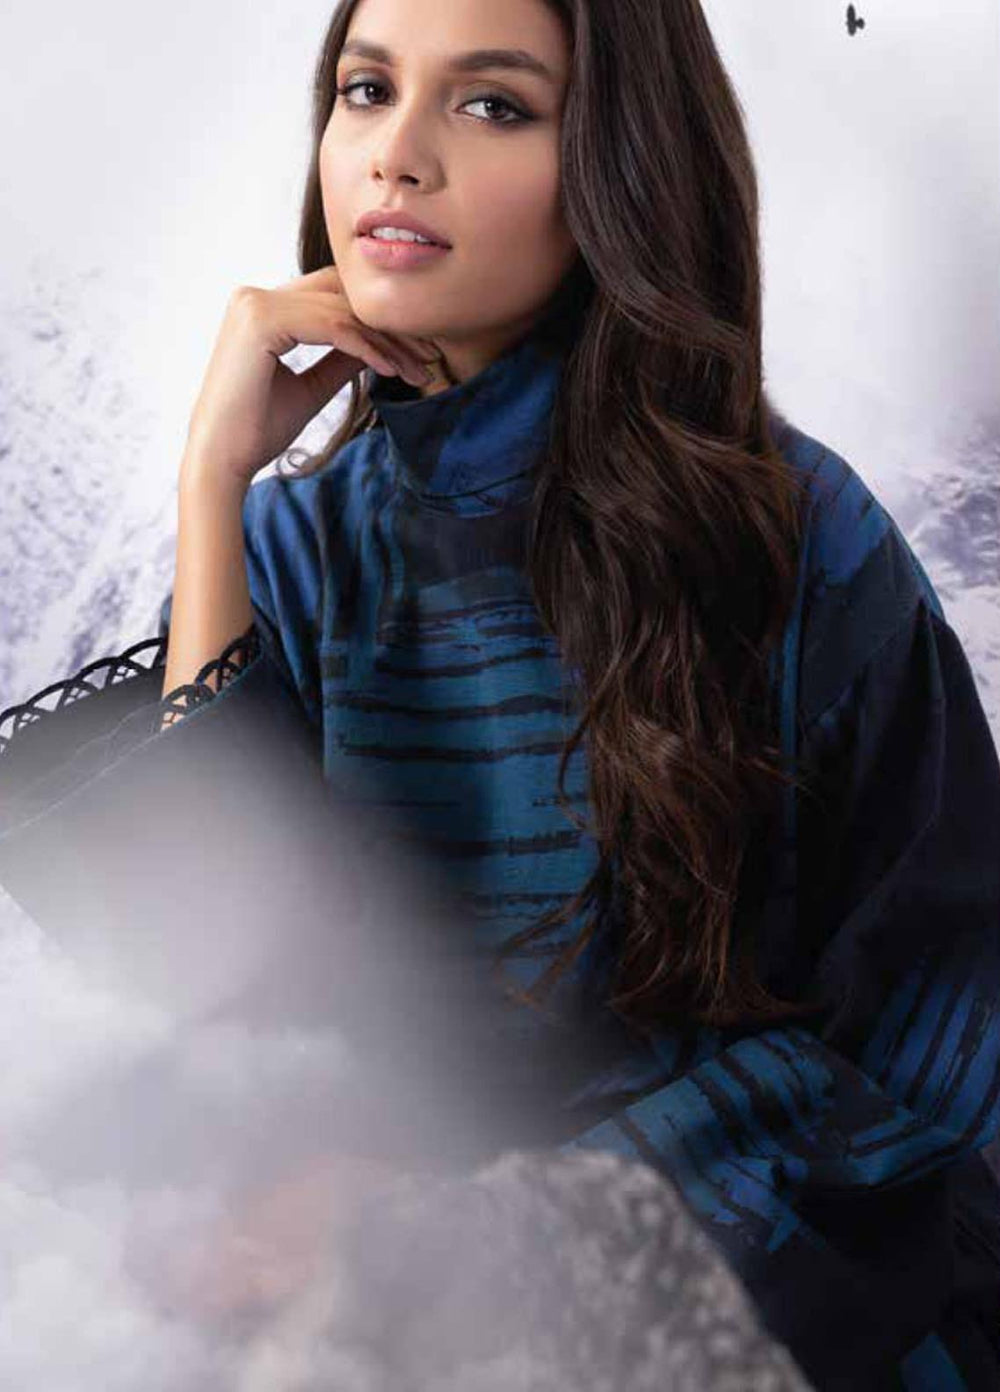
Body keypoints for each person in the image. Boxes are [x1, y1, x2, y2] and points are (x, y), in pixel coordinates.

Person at [0, 0, 997, 1387]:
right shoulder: (296, 545)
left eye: (492, 105)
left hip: (725, 1316)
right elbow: (212, 974)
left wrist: (497, 1237)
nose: (397, 156)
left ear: (621, 169)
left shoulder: (794, 538)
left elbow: (931, 1047)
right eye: (365, 90)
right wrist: (212, 486)